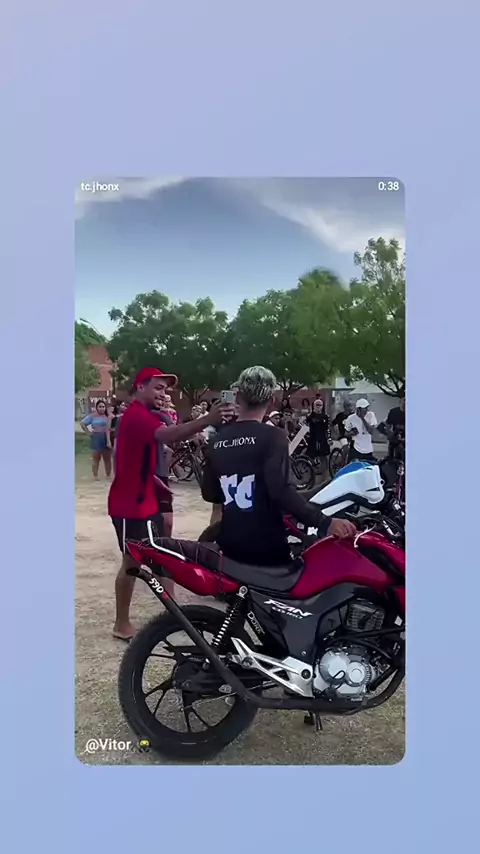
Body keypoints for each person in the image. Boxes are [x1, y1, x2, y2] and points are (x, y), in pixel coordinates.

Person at [108, 367, 232, 641]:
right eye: (157, 387)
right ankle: (121, 623)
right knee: (131, 563)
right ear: (140, 387)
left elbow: (157, 443)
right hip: (130, 506)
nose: (163, 393)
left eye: (165, 389)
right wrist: (207, 419)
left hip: (148, 499)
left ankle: (175, 615)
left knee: (162, 555)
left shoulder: (149, 415)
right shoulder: (136, 416)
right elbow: (169, 436)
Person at [201, 366, 356, 567]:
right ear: (272, 400)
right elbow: (281, 491)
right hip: (267, 547)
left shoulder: (217, 441)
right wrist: (326, 522)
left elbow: (210, 493)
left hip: (229, 544)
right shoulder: (274, 436)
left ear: (238, 397)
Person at [80, 399, 112, 479]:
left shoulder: (108, 416)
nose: (102, 408)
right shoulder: (93, 416)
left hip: (106, 437)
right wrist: (88, 432)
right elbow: (82, 423)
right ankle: (95, 476)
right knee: (96, 458)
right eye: (100, 407)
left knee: (107, 458)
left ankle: (108, 475)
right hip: (96, 437)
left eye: (103, 407)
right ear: (97, 407)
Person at [305, 398, 331, 463]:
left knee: (324, 456)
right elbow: (305, 425)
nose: (318, 406)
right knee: (311, 455)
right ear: (314, 406)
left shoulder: (325, 416)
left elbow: (328, 428)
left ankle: (324, 468)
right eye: (317, 405)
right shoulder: (310, 416)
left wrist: (329, 439)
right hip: (313, 438)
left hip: (322, 438)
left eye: (320, 405)